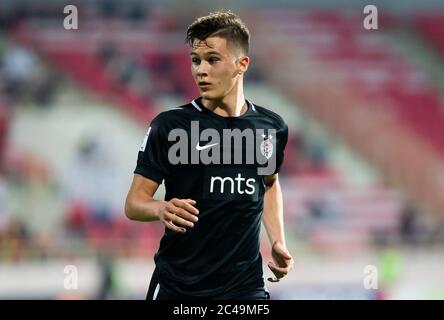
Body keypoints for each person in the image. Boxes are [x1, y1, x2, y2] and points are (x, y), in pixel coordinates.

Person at [125, 10, 293, 300]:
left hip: (245, 289)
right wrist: (160, 208)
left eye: (212, 60)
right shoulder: (171, 125)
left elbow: (268, 184)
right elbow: (134, 203)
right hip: (179, 289)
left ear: (242, 64)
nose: (201, 70)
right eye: (195, 60)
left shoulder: (270, 127)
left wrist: (277, 240)